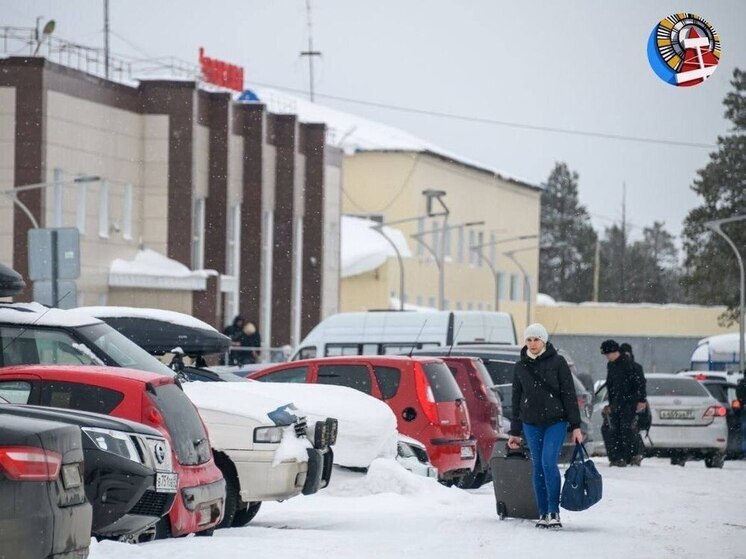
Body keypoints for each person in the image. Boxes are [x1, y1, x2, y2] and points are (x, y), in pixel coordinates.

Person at [508, 323, 583, 529]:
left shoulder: (558, 362)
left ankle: (554, 511)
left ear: (544, 341)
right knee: (538, 466)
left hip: (556, 422)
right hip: (531, 423)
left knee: (549, 462)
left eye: (536, 339)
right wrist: (515, 431)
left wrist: (576, 426)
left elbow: (569, 394)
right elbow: (516, 400)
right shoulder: (521, 366)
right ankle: (542, 512)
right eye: (529, 340)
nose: (532, 344)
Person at [601, 340, 647, 467]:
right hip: (616, 403)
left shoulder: (629, 365)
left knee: (626, 430)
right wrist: (611, 404)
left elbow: (639, 384)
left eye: (607, 354)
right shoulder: (611, 366)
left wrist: (641, 400)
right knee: (613, 429)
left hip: (629, 403)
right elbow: (611, 386)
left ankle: (629, 456)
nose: (606, 357)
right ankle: (618, 457)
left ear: (614, 352)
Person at [620, 343, 648, 466]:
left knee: (632, 429)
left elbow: (641, 384)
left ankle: (635, 454)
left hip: (632, 403)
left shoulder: (636, 367)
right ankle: (628, 455)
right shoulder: (617, 367)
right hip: (623, 403)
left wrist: (641, 400)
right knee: (625, 430)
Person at [736, 375, 746, 457]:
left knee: (743, 433)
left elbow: (738, 395)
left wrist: (742, 403)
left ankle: (744, 452)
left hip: (743, 410)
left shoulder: (741, 384)